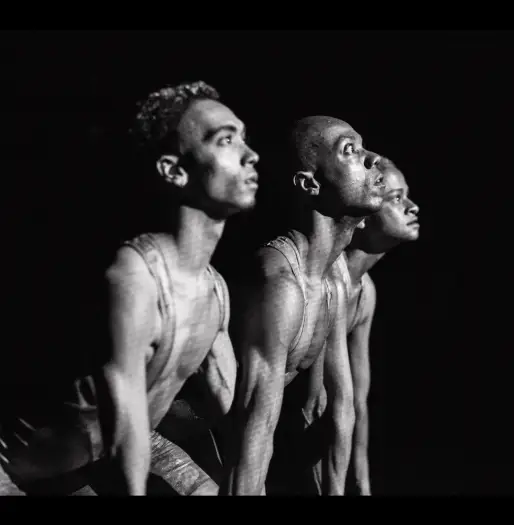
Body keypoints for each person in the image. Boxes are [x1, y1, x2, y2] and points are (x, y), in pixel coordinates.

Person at [0, 81, 258, 495]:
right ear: (174, 170)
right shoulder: (134, 277)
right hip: (23, 472)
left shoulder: (214, 289)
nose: (251, 154)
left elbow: (226, 408)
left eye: (243, 137)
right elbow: (124, 423)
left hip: (119, 448)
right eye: (226, 140)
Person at [218, 116, 385, 495]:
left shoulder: (330, 279)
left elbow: (327, 407)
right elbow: (253, 422)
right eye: (350, 150)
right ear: (310, 183)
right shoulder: (280, 282)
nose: (372, 159)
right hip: (163, 435)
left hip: (220, 440)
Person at [282, 157, 419, 495]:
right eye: (396, 198)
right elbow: (314, 405)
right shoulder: (330, 279)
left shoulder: (364, 290)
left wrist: (362, 484)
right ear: (365, 217)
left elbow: (357, 400)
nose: (413, 207)